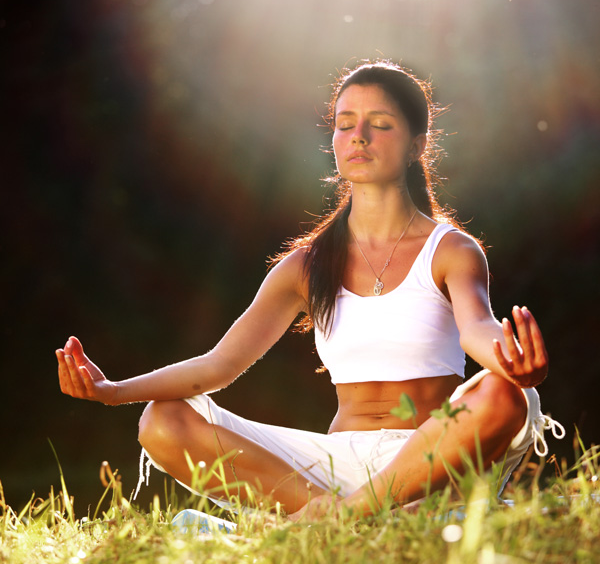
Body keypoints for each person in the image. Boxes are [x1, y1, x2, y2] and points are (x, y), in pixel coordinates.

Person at [56, 60, 562, 520]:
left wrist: (511, 359)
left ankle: (346, 518)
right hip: (332, 467)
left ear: (415, 145)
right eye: (345, 125)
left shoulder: (451, 249)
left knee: (506, 394)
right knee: (163, 421)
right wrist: (112, 391)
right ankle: (335, 514)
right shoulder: (304, 266)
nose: (358, 136)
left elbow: (477, 329)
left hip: (429, 460)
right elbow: (217, 367)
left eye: (379, 124)